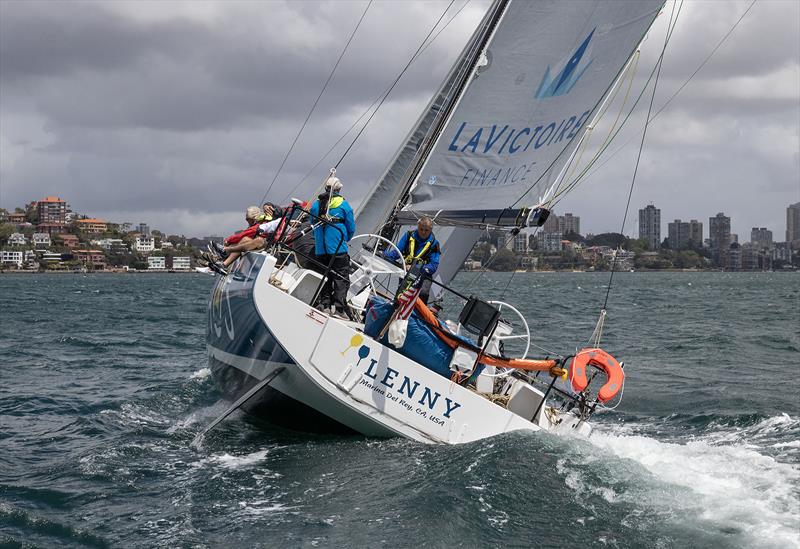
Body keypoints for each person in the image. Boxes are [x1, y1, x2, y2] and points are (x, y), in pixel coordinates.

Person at [310, 175, 356, 318]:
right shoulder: (344, 205)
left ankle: (324, 305)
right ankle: (339, 308)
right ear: (339, 189)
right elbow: (351, 228)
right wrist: (344, 239)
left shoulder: (316, 205)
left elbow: (312, 222)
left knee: (325, 275)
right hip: (338, 248)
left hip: (320, 248)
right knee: (341, 277)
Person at [383, 216, 441, 304]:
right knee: (400, 298)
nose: (423, 232)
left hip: (423, 276)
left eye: (426, 230)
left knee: (422, 295)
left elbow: (433, 266)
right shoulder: (408, 235)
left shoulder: (434, 244)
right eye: (421, 229)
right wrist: (382, 253)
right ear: (417, 226)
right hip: (407, 274)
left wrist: (416, 268)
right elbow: (396, 253)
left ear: (431, 229)